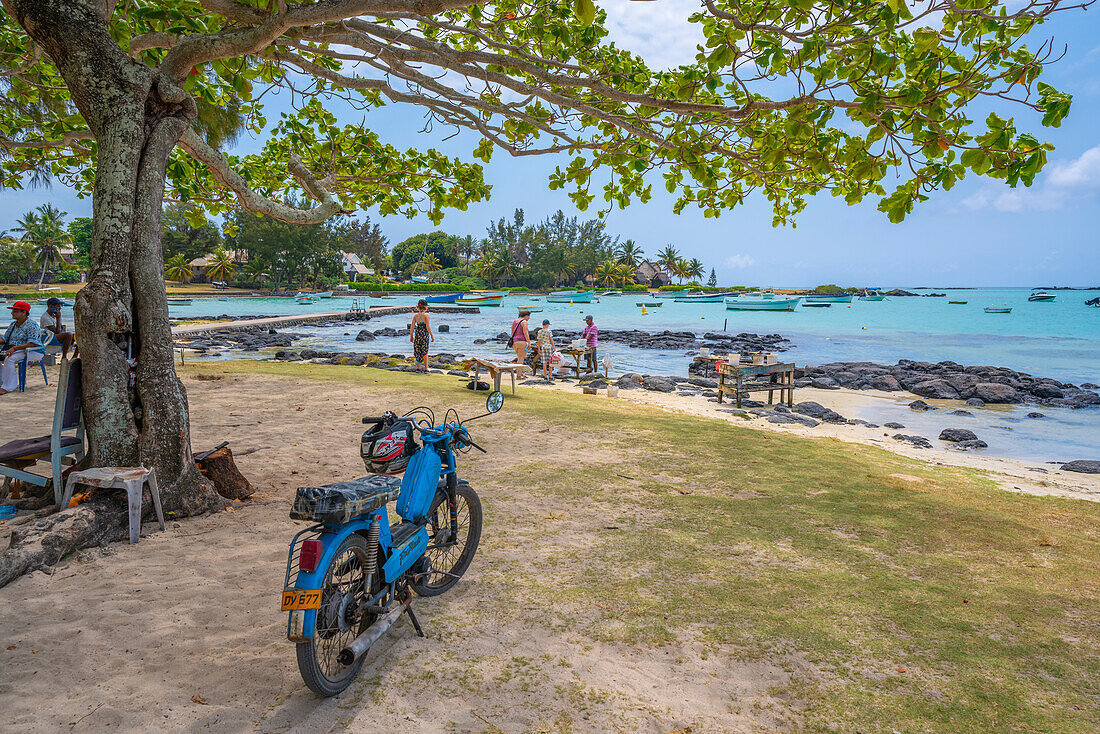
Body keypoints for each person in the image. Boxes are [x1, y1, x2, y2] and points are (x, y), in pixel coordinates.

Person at [0, 301, 47, 395]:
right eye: (12, 310)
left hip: (33, 351)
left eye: (15, 311)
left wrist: (15, 348)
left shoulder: (32, 325)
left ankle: (7, 387)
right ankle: (2, 382)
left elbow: (32, 343)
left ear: (24, 312)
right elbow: (5, 339)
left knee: (9, 359)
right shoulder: (13, 324)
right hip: (15, 350)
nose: (12, 313)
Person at [409, 299, 434, 373]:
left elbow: (412, 327)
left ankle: (418, 368)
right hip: (425, 335)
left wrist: (411, 336)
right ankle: (426, 369)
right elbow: (428, 327)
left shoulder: (415, 316)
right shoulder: (426, 315)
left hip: (417, 335)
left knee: (418, 351)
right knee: (425, 352)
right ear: (425, 307)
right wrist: (432, 336)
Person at [536, 318, 555, 382]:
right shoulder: (549, 331)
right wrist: (554, 348)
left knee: (544, 363)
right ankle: (550, 376)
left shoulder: (539, 331)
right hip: (549, 347)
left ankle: (545, 376)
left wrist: (539, 349)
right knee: (550, 363)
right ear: (547, 325)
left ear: (542, 324)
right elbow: (551, 340)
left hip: (543, 347)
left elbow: (539, 341)